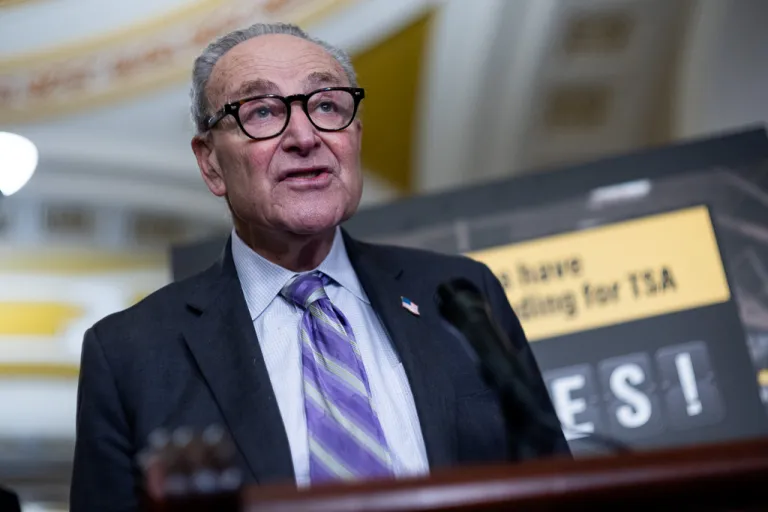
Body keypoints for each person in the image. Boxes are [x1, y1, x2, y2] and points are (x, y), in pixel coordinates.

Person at [70, 22, 569, 511]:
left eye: (327, 105)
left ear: (354, 135)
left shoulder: (457, 294)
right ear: (210, 164)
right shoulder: (130, 355)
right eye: (262, 112)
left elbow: (556, 483)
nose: (305, 136)